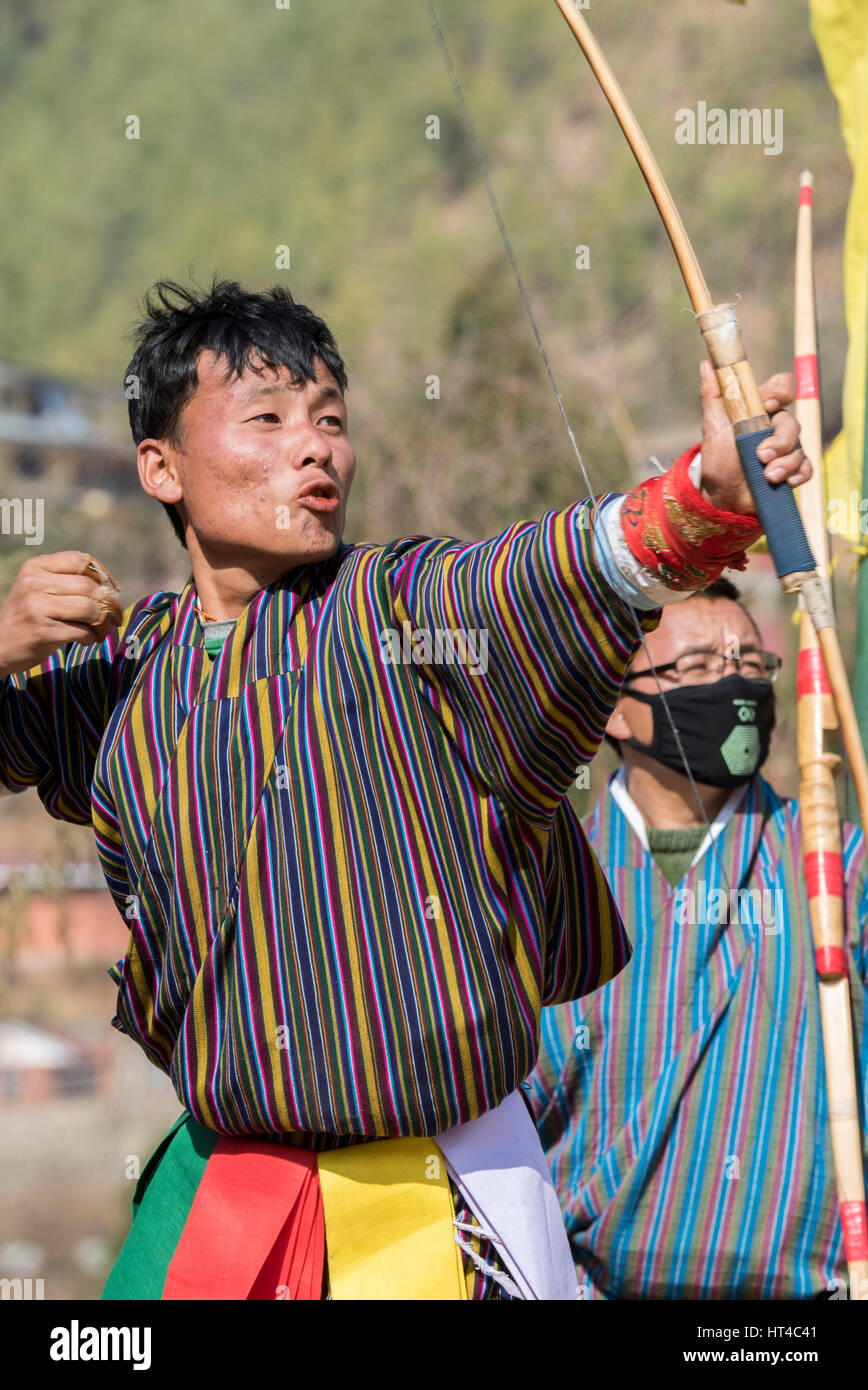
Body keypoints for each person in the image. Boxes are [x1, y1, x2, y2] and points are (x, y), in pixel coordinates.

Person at [0, 278, 809, 1299]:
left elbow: (543, 573)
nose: (317, 447)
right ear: (160, 466)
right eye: (269, 418)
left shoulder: (399, 613)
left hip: (441, 1195)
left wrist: (701, 493)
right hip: (226, 1184)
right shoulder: (123, 671)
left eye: (330, 419)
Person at [527, 576, 868, 1299]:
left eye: (750, 663)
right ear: (614, 707)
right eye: (700, 668)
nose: (735, 684)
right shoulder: (544, 885)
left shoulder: (839, 871)